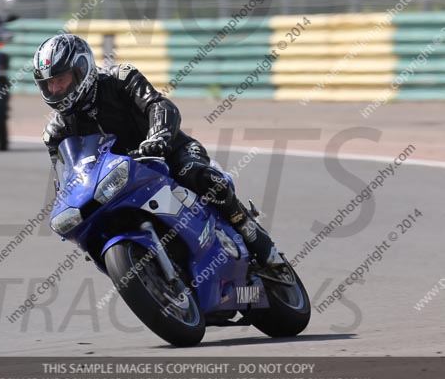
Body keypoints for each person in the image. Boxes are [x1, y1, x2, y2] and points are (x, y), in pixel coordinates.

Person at [33, 33, 284, 268]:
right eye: (49, 84)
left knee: (201, 178)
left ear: (81, 70)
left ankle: (251, 233)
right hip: (118, 180)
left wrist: (158, 137)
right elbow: (66, 178)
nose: (55, 90)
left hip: (167, 151)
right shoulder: (56, 133)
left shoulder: (120, 78)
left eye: (61, 80)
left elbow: (159, 105)